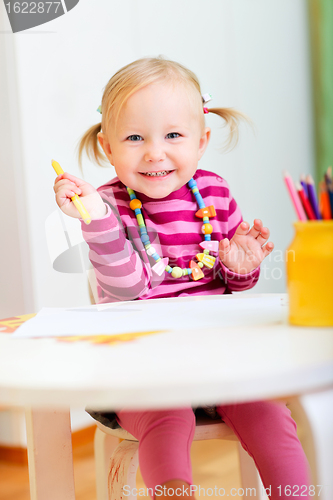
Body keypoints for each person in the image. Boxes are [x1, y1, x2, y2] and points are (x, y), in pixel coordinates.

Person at [54, 57, 310, 499]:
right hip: (139, 373)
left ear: (201, 141)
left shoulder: (214, 193)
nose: (155, 152)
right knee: (168, 417)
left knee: (269, 412)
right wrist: (95, 217)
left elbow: (233, 290)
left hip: (217, 363)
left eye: (173, 135)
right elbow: (129, 289)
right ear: (108, 147)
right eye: (134, 138)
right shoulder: (107, 204)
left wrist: (242, 267)